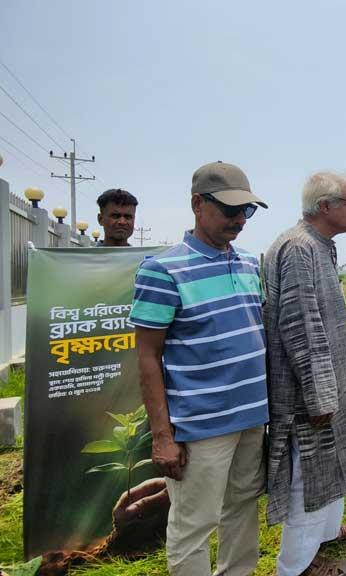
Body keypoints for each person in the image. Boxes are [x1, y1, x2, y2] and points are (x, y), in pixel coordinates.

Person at [130, 161, 268, 575]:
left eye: (247, 211)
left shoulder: (248, 264)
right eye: (229, 210)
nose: (239, 220)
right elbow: (148, 358)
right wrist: (162, 436)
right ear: (197, 204)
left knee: (242, 508)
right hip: (201, 425)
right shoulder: (162, 270)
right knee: (194, 525)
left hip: (250, 418)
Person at [263, 171, 346, 576]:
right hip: (308, 395)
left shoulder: (320, 246)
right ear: (325, 207)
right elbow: (300, 326)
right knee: (307, 480)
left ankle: (321, 545)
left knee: (329, 472)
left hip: (327, 388)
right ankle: (295, 568)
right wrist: (320, 395)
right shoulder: (298, 247)